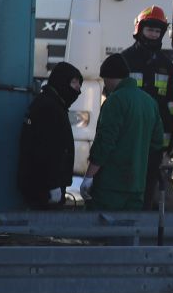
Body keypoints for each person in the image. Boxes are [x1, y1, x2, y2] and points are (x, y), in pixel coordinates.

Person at [80, 54, 163, 211]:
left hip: (110, 187)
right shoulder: (149, 102)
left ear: (110, 78)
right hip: (137, 187)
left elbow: (104, 143)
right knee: (130, 232)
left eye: (105, 80)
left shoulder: (115, 101)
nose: (105, 85)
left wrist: (89, 177)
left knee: (100, 232)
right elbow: (157, 142)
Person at [120, 5, 173, 210]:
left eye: (157, 31)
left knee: (149, 188)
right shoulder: (125, 60)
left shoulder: (166, 64)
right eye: (150, 30)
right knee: (127, 184)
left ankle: (142, 229)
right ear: (140, 29)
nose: (153, 35)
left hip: (156, 140)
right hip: (129, 137)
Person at [16, 61, 82, 209]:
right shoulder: (50, 108)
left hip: (41, 185)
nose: (78, 89)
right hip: (43, 187)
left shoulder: (52, 104)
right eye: (73, 82)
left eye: (79, 83)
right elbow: (46, 149)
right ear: (61, 82)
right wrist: (53, 185)